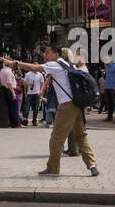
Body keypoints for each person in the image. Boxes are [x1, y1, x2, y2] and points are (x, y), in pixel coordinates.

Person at [14, 46, 98, 177]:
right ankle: (92, 165)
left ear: (57, 54)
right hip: (78, 104)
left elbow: (35, 68)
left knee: (56, 138)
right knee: (81, 136)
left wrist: (16, 63)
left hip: (67, 105)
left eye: (47, 53)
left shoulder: (56, 64)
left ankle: (53, 168)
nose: (45, 56)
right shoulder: (70, 66)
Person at [0, 60, 21, 129]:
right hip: (11, 90)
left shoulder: (2, 70)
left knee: (10, 107)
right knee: (14, 107)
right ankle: (17, 123)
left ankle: (12, 122)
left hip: (6, 89)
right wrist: (13, 93)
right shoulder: (8, 72)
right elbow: (9, 83)